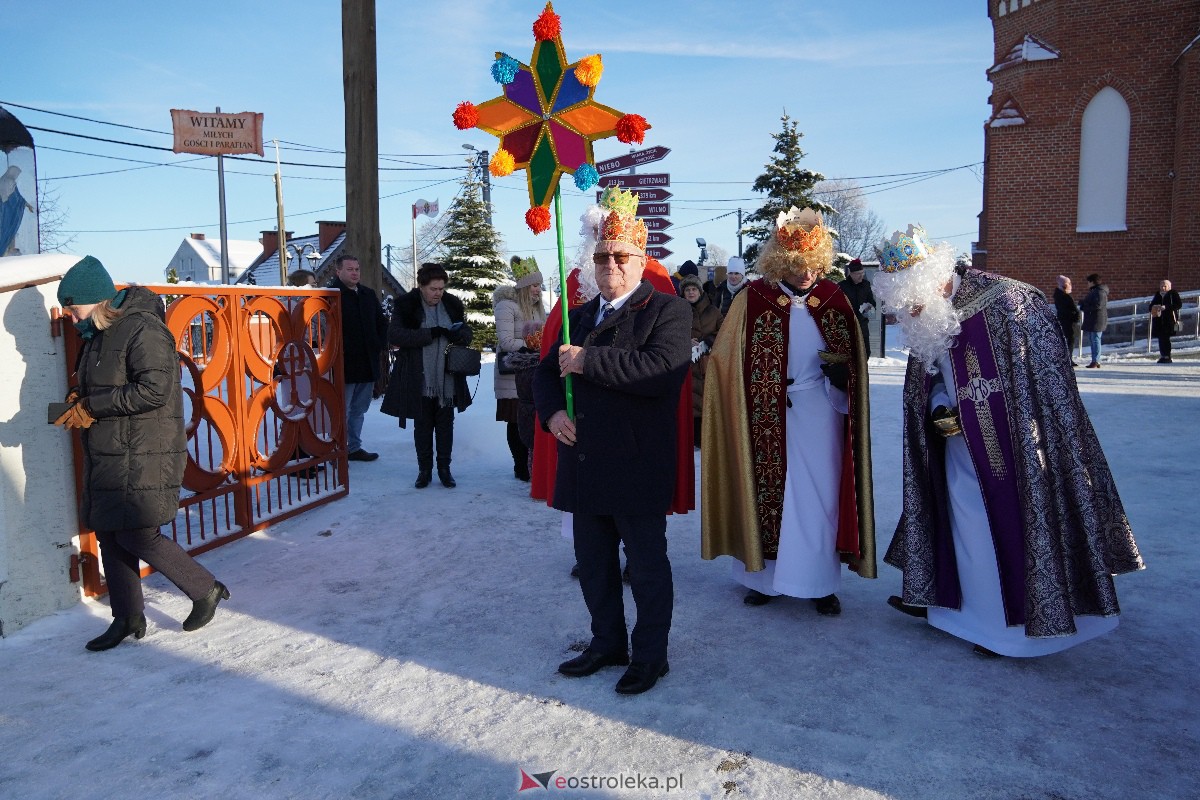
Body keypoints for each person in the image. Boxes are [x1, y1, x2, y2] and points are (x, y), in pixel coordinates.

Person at [873, 225, 1144, 657]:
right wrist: (940, 405)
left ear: (933, 281)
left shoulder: (1009, 301)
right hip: (959, 445)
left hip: (1019, 446)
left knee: (1008, 526)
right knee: (961, 521)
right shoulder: (930, 318)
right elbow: (932, 375)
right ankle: (950, 609)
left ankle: (1008, 631)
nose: (912, 313)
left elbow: (1048, 381)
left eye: (915, 303)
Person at [533, 186, 691, 695]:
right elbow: (544, 376)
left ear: (641, 262)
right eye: (602, 256)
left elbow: (661, 371)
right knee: (595, 567)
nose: (611, 265)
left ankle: (650, 655)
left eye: (621, 256)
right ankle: (606, 643)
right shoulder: (577, 317)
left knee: (645, 567)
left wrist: (587, 361)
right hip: (583, 461)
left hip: (636, 461)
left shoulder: (666, 311)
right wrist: (553, 412)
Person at [701, 207, 876, 616]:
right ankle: (762, 578)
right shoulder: (752, 299)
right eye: (797, 266)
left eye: (812, 265)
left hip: (821, 410)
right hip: (763, 412)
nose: (806, 274)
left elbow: (855, 358)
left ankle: (819, 582)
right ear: (781, 262)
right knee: (767, 491)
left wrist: (843, 373)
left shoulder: (834, 298)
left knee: (820, 493)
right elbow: (724, 362)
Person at [54, 256, 229, 651]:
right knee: (110, 532)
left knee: (138, 532)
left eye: (72, 305)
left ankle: (205, 589)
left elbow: (155, 390)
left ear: (96, 299)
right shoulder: (97, 332)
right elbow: (106, 383)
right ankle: (128, 617)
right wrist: (77, 399)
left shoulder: (142, 328)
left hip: (145, 449)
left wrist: (93, 406)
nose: (68, 314)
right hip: (112, 449)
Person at [382, 263, 474, 488]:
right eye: (433, 289)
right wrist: (430, 334)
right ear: (421, 286)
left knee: (445, 425)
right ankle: (424, 471)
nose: (438, 293)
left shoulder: (451, 304)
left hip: (448, 377)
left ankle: (445, 469)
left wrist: (461, 335)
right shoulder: (406, 305)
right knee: (422, 426)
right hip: (419, 376)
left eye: (441, 288)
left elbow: (467, 331)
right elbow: (396, 335)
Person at [329, 254, 388, 460]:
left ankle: (353, 448)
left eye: (357, 269)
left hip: (367, 362)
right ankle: (336, 449)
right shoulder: (330, 296)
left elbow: (381, 323)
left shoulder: (367, 294)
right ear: (338, 271)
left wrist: (379, 345)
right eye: (350, 269)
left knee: (359, 410)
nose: (355, 273)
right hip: (343, 364)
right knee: (340, 410)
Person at [493, 257, 546, 481]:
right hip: (512, 374)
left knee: (530, 419)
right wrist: (531, 345)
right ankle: (520, 466)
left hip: (532, 372)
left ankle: (532, 463)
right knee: (515, 420)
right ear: (524, 286)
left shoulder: (537, 308)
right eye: (534, 285)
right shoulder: (507, 306)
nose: (538, 290)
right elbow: (505, 341)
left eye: (539, 285)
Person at [679, 274, 722, 447]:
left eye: (694, 289)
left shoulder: (713, 311)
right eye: (687, 290)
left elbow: (725, 331)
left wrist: (709, 341)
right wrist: (684, 341)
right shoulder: (677, 311)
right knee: (688, 404)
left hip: (707, 365)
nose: (691, 293)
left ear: (700, 291)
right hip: (684, 366)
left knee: (706, 404)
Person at [838, 258, 877, 357]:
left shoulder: (866, 285)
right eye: (858, 273)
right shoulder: (842, 286)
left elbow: (872, 301)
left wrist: (870, 307)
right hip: (847, 325)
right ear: (851, 274)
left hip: (862, 324)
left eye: (862, 273)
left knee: (865, 352)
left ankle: (862, 372)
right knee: (850, 353)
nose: (861, 276)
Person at [1079, 272, 1109, 368]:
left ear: (1092, 282)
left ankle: (1095, 360)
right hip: (1094, 319)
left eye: (1088, 282)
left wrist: (1084, 306)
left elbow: (1097, 305)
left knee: (1095, 339)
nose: (1087, 284)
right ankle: (1095, 360)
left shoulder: (1099, 292)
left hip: (1097, 320)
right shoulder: (1096, 291)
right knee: (1094, 339)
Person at [1149, 279, 1183, 363]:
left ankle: (1167, 356)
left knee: (1165, 338)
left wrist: (1166, 307)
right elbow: (1151, 306)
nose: (1163, 288)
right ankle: (1163, 355)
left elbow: (1178, 305)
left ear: (1169, 287)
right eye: (1161, 286)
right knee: (1161, 338)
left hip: (1169, 320)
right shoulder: (1158, 294)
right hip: (1159, 320)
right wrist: (1154, 307)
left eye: (1165, 286)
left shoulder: (1173, 294)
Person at [1052, 275, 1081, 366]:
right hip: (1068, 321)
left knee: (1067, 340)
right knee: (1069, 340)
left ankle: (1066, 359)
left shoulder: (1060, 295)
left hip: (1066, 320)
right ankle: (1068, 359)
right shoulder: (1064, 296)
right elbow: (1069, 309)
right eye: (1068, 283)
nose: (1069, 285)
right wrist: (1075, 315)